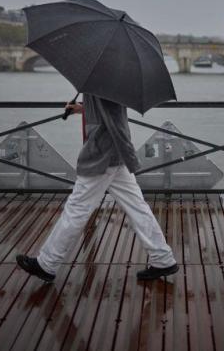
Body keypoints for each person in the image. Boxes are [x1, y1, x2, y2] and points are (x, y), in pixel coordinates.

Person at [16, 94, 178, 282]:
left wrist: (124, 151)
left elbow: (113, 117)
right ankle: (163, 259)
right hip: (115, 156)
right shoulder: (111, 79)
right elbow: (107, 108)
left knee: (76, 210)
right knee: (137, 208)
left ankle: (47, 264)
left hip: (102, 156)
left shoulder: (102, 79)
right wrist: (83, 108)